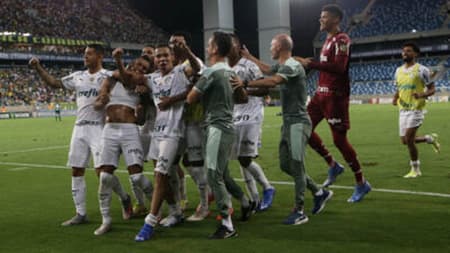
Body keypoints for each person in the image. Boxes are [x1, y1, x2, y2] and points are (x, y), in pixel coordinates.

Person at [233, 34, 333, 225]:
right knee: (285, 165)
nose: (270, 48)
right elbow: (269, 70)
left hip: (298, 122)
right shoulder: (285, 64)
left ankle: (300, 210)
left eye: (272, 45)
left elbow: (273, 81)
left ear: (279, 46)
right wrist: (249, 57)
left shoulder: (292, 66)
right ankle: (320, 192)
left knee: (296, 164)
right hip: (288, 123)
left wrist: (245, 83)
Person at [29, 44, 127, 226]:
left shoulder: (109, 76)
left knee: (102, 173)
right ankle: (80, 213)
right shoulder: (78, 77)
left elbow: (128, 81)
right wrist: (38, 68)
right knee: (76, 170)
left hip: (99, 128)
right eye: (84, 54)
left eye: (89, 54)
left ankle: (124, 197)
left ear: (99, 56)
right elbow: (54, 83)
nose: (85, 57)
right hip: (79, 128)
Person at [295, 4, 371, 202]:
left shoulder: (342, 39)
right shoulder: (327, 40)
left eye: (324, 17)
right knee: (305, 128)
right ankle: (333, 165)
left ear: (335, 20)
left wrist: (311, 63)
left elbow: (338, 67)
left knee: (339, 140)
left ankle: (361, 183)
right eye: (320, 16)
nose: (320, 20)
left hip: (335, 98)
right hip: (320, 96)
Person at [186, 32, 253, 239]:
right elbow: (242, 98)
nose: (207, 48)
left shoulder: (212, 72)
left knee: (213, 173)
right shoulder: (231, 73)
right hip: (225, 126)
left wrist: (197, 84)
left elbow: (190, 99)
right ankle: (245, 202)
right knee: (223, 173)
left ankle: (227, 223)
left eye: (209, 45)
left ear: (215, 49)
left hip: (216, 127)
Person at [134, 43, 199, 242]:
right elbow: (132, 78)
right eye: (158, 57)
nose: (161, 59)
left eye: (165, 56)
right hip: (156, 134)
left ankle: (150, 222)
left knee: (160, 177)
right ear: (154, 60)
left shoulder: (181, 71)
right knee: (165, 176)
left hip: (173, 133)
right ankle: (175, 211)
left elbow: (196, 68)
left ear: (172, 58)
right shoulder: (152, 79)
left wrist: (187, 51)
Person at [92, 49, 154, 236]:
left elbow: (142, 120)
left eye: (144, 68)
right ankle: (107, 219)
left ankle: (155, 210)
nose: (140, 68)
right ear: (133, 62)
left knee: (136, 177)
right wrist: (101, 99)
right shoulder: (112, 78)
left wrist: (141, 109)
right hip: (109, 130)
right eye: (139, 64)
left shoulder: (141, 86)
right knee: (104, 177)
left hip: (129, 130)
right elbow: (97, 104)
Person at [228, 34, 276, 211]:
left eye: (231, 44)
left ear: (238, 46)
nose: (228, 47)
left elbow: (265, 88)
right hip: (234, 115)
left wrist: (244, 89)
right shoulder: (223, 68)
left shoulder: (249, 65)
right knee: (241, 159)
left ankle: (268, 188)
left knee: (245, 157)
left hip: (252, 113)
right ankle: (254, 199)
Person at [392, 41, 440, 178]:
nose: (405, 53)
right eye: (403, 51)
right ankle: (428, 138)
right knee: (405, 140)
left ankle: (415, 169)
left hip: (417, 109)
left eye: (408, 51)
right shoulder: (398, 71)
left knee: (409, 139)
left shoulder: (422, 70)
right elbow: (399, 88)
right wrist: (395, 98)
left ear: (415, 54)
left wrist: (422, 94)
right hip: (403, 110)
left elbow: (432, 89)